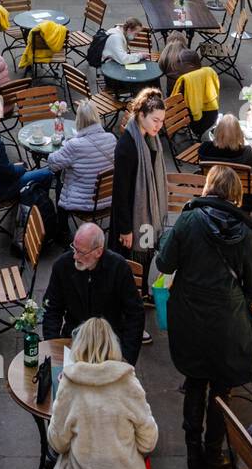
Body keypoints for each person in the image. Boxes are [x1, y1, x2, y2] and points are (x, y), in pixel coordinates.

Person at [156, 164, 252, 469]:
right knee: (221, 389)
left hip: (189, 315)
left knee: (194, 382)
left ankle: (193, 457)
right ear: (235, 195)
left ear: (208, 188)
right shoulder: (244, 233)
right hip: (227, 323)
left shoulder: (188, 220)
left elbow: (164, 263)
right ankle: (214, 454)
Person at [47, 317, 158, 469]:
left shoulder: (68, 385)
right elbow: (148, 441)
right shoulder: (129, 382)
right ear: (114, 346)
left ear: (79, 346)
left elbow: (58, 443)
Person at [42, 223, 144, 366]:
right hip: (73, 340)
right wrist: (53, 347)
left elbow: (135, 314)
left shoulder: (119, 268)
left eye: (81, 252)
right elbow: (52, 309)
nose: (75, 256)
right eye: (74, 248)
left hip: (109, 345)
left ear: (98, 252)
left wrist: (127, 359)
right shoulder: (62, 266)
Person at [110, 88, 168, 324]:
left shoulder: (148, 139)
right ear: (141, 114)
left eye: (162, 121)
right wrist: (125, 230)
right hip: (132, 221)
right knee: (132, 266)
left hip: (145, 217)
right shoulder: (128, 146)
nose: (159, 126)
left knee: (144, 260)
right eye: (155, 120)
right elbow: (120, 193)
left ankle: (142, 294)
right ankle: (131, 314)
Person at [48, 100, 116, 225]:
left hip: (84, 203)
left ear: (79, 119)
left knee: (59, 180)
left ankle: (62, 229)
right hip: (108, 198)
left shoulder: (75, 145)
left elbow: (52, 164)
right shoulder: (111, 138)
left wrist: (65, 146)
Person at [198, 113, 252, 210]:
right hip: (241, 194)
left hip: (213, 190)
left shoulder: (205, 149)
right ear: (239, 133)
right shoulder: (245, 152)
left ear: (217, 131)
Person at [156, 30, 190, 96]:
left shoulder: (165, 55)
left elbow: (161, 70)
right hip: (189, 86)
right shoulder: (192, 54)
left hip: (172, 89)